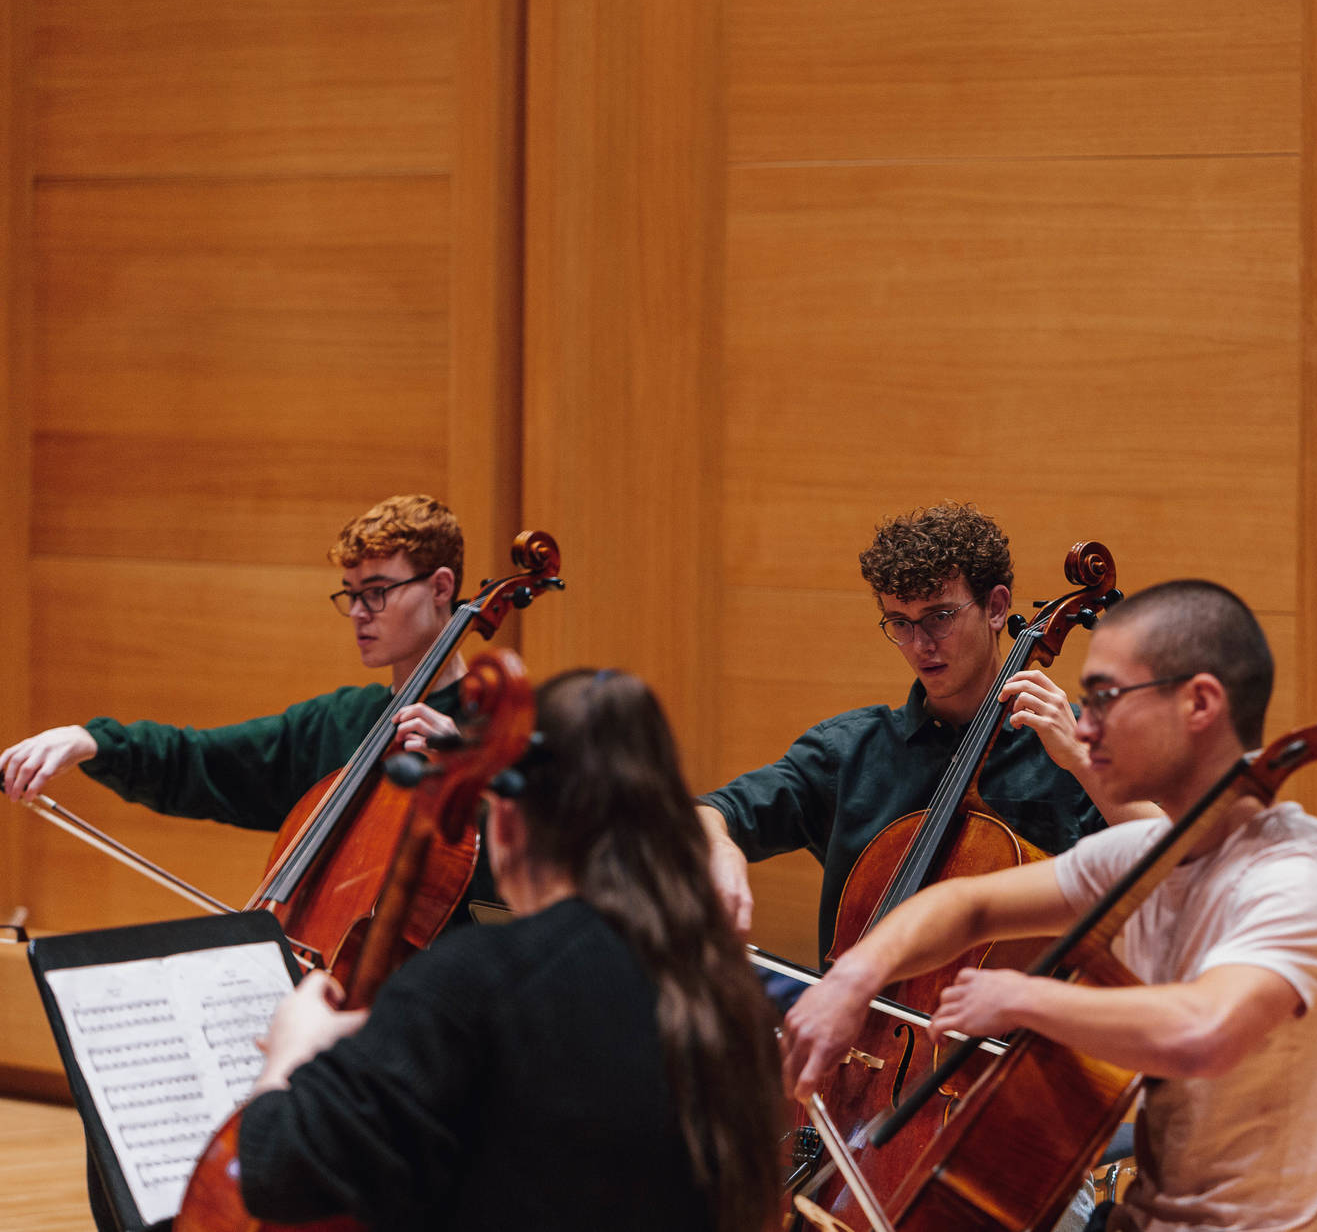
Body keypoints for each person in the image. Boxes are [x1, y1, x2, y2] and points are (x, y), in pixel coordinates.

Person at [782, 580, 1317, 1232]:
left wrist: (1025, 998)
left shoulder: (1298, 875)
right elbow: (965, 905)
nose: (1083, 726)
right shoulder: (1144, 852)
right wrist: (853, 978)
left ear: (1199, 703)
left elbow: (1203, 1031)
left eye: (1104, 698)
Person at [233, 668, 783, 1232]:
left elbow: (278, 1172)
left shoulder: (476, 982)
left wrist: (291, 1053)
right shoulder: (724, 990)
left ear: (509, 820)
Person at [697, 501, 1150, 954]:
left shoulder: (1074, 744)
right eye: (901, 623)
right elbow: (709, 813)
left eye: (939, 617)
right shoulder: (847, 752)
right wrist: (719, 847)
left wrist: (1081, 762)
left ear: (995, 607)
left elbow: (1174, 860)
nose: (920, 645)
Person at [1, 493, 470, 839]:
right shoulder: (335, 724)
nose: (359, 613)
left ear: (440, 588)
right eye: (351, 594)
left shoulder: (497, 727)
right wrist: (92, 742)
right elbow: (201, 760)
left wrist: (470, 771)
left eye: (377, 592)